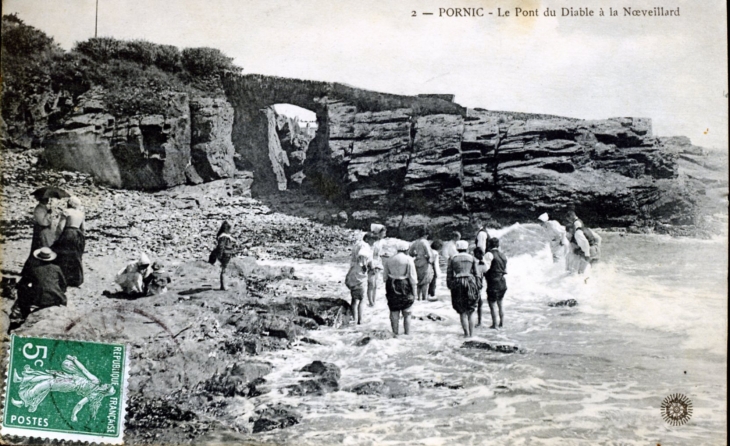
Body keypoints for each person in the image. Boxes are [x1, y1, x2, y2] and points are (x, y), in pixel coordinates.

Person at [11, 355, 115, 422]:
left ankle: (22, 401)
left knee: (47, 384)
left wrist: (74, 415)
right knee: (48, 376)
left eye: (108, 386)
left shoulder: (95, 389)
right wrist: (74, 360)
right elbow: (84, 371)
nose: (107, 384)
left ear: (105, 390)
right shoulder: (95, 388)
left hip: (69, 384)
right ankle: (20, 379)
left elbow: (80, 403)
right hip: (70, 378)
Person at [12, 247, 67, 321]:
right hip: (56, 298)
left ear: (38, 258)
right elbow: (63, 285)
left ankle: (25, 314)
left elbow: (22, 283)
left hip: (40, 300)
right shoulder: (57, 268)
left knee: (22, 290)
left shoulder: (33, 269)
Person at [447, 240, 481, 337]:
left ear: (457, 248)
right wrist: (478, 285)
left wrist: (450, 285)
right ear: (466, 248)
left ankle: (466, 334)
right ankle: (472, 334)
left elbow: (449, 274)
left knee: (462, 310)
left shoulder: (452, 258)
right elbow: (477, 273)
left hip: (458, 282)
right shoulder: (472, 258)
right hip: (470, 282)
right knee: (471, 310)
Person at [383, 240, 417, 335]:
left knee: (394, 310)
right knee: (407, 311)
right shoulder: (408, 259)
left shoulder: (390, 259)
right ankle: (407, 334)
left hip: (391, 284)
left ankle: (395, 334)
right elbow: (413, 278)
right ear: (407, 250)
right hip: (404, 284)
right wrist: (415, 294)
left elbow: (385, 277)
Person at [51, 196, 85, 287]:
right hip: (77, 234)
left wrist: (56, 238)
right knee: (76, 256)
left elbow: (60, 227)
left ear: (69, 203)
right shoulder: (81, 214)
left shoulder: (66, 212)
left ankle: (63, 278)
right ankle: (76, 279)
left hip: (68, 233)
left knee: (63, 255)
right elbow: (83, 228)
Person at [345, 232, 375, 324]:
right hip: (359, 274)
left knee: (354, 298)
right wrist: (365, 266)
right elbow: (363, 255)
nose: (373, 243)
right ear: (367, 239)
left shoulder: (357, 244)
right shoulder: (365, 245)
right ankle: (360, 320)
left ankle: (354, 319)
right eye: (372, 241)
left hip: (352, 272)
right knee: (362, 298)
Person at [484, 237, 508, 329]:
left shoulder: (489, 254)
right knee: (500, 303)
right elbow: (505, 270)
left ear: (489, 244)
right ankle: (502, 323)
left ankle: (495, 325)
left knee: (492, 303)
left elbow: (486, 268)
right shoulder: (503, 255)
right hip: (502, 281)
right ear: (498, 245)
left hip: (493, 282)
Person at [408, 227, 434, 301]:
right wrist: (430, 261)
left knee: (418, 281)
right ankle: (424, 298)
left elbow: (410, 252)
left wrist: (415, 255)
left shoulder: (415, 242)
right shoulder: (425, 242)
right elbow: (429, 254)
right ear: (425, 235)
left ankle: (418, 298)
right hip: (424, 263)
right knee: (425, 282)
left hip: (417, 262)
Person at [209, 221, 236, 290]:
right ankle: (223, 286)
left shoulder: (225, 236)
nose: (232, 230)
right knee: (224, 270)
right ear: (227, 229)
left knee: (224, 270)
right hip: (225, 254)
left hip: (226, 254)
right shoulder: (224, 237)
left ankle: (223, 285)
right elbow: (221, 246)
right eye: (231, 229)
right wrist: (220, 254)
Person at [367, 223, 387, 306]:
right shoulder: (372, 242)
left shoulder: (382, 242)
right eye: (383, 232)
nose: (385, 234)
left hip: (378, 262)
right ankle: (371, 301)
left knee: (375, 284)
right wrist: (371, 264)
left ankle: (373, 300)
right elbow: (369, 254)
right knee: (371, 283)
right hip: (371, 262)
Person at [473, 246, 489, 327]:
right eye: (481, 254)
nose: (482, 256)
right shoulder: (479, 263)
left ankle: (476, 321)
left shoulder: (476, 261)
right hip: (476, 284)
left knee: (477, 303)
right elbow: (486, 272)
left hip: (475, 284)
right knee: (478, 303)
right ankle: (479, 321)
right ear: (476, 254)